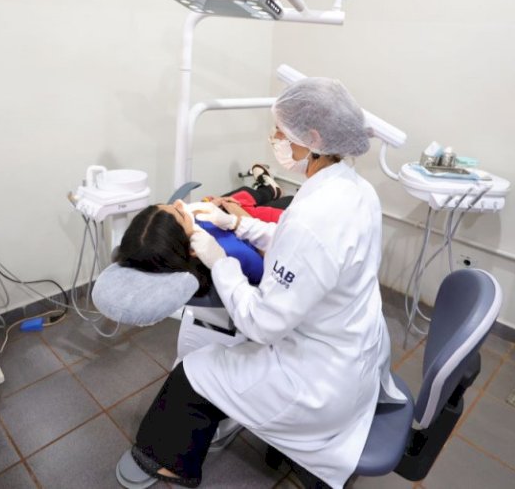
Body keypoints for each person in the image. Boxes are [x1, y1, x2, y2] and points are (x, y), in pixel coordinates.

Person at [115, 77, 405, 489]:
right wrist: (238, 224)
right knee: (227, 357)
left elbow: (261, 323)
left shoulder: (314, 218)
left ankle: (168, 462)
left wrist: (220, 263)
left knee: (192, 373)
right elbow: (297, 242)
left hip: (317, 381)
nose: (275, 139)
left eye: (282, 132)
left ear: (314, 139)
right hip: (354, 350)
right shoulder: (354, 189)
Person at [115, 171, 286, 291]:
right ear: (192, 249)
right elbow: (274, 259)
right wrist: (238, 218)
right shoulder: (233, 254)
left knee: (235, 197)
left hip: (231, 224)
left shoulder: (182, 236)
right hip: (260, 237)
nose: (179, 203)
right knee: (258, 203)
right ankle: (270, 190)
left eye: (169, 205)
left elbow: (187, 222)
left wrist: (209, 206)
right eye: (180, 213)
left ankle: (268, 190)